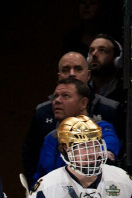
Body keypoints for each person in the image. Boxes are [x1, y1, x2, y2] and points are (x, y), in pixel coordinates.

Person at [22, 52, 121, 183]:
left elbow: (109, 143)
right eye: (56, 96)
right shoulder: (51, 138)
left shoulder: (101, 128)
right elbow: (39, 177)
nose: (57, 101)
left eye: (65, 96)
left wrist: (106, 153)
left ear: (83, 103)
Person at [87, 34, 123, 103]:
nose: (94, 54)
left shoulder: (124, 92)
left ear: (116, 60)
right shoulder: (82, 89)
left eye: (102, 50)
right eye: (91, 50)